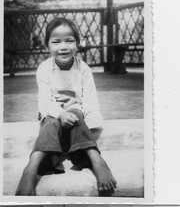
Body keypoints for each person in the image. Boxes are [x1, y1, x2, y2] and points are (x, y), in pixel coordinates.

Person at [15, 17, 117, 196]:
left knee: (77, 117)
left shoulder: (83, 68)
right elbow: (46, 99)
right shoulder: (44, 69)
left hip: (75, 111)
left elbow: (90, 98)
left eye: (69, 40)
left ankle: (97, 160)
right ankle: (30, 169)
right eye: (56, 41)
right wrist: (60, 114)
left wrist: (93, 126)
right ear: (47, 46)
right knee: (50, 124)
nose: (63, 46)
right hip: (51, 112)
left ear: (77, 44)